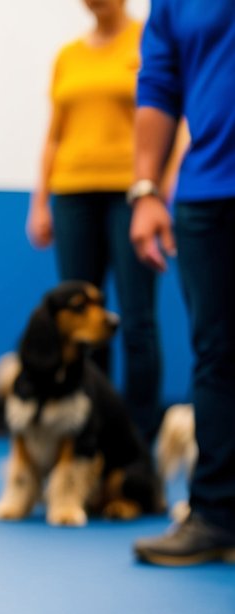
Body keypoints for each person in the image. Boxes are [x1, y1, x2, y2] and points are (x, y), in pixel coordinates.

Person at [28, 0, 163, 444]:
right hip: (71, 194)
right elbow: (53, 134)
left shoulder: (150, 39)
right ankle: (91, 432)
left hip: (131, 193)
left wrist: (160, 187)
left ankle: (137, 438)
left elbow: (171, 118)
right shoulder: (69, 55)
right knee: (80, 325)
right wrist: (41, 202)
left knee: (136, 320)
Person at [130, 1, 235, 566]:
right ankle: (217, 517)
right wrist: (147, 190)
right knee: (216, 356)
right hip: (208, 192)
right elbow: (160, 86)